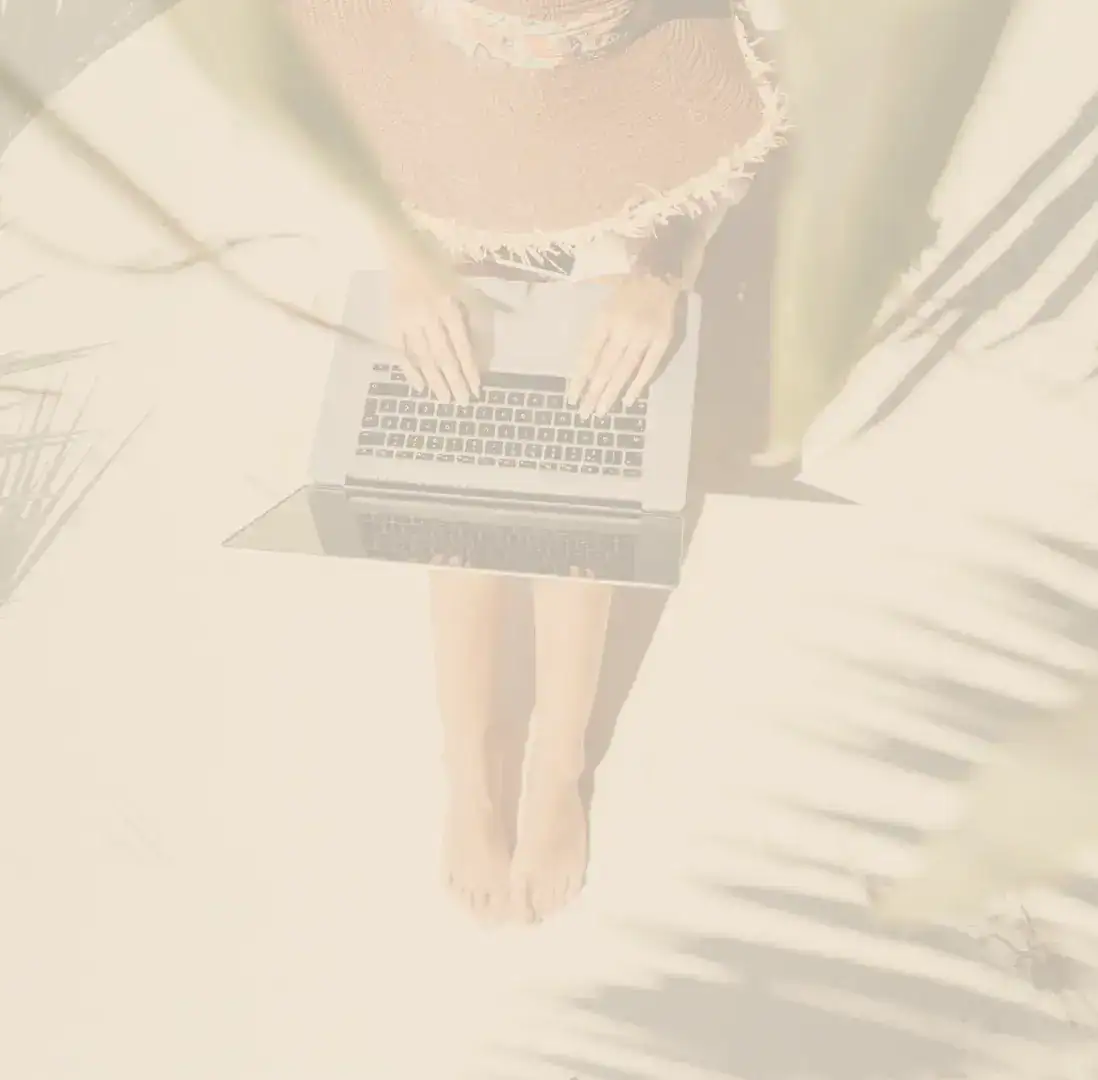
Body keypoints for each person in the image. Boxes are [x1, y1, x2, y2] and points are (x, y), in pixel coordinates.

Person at [285, 0, 786, 923]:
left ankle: (559, 756)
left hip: (624, 181)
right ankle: (471, 764)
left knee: (589, 434)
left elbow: (721, 150)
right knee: (457, 434)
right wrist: (409, 262)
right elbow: (348, 119)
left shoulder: (666, 46)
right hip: (450, 142)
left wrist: (659, 275)